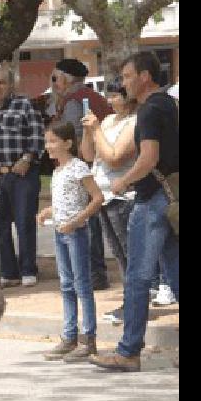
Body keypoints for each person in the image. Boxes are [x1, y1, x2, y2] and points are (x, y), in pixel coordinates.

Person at [90, 52, 179, 373]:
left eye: (127, 76)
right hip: (169, 198)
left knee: (138, 277)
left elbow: (149, 158)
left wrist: (122, 181)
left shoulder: (150, 110)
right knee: (175, 273)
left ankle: (128, 351)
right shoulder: (168, 104)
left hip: (151, 198)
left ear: (144, 76)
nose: (123, 83)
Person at [37, 121, 104, 362]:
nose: (48, 147)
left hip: (75, 233)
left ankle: (89, 338)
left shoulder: (78, 168)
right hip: (59, 232)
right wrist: (49, 212)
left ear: (67, 143)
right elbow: (64, 202)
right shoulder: (57, 171)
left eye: (53, 141)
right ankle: (69, 336)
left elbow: (97, 198)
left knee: (81, 285)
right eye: (46, 142)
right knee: (66, 284)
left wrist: (77, 221)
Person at [52, 58, 114, 290]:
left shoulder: (73, 102)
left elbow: (73, 139)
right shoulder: (91, 97)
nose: (55, 84)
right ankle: (96, 273)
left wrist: (71, 169)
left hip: (86, 166)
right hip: (100, 165)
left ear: (66, 79)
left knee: (88, 222)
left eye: (55, 78)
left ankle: (94, 274)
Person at [80, 79, 138, 324]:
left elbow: (113, 157)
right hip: (104, 195)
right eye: (109, 96)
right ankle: (130, 301)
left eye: (116, 96)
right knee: (117, 253)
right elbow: (89, 155)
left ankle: (136, 303)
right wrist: (88, 131)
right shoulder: (107, 121)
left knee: (130, 253)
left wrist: (96, 132)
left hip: (122, 197)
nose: (111, 101)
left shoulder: (134, 122)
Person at [0, 65, 45, 287]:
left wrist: (27, 158)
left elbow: (37, 134)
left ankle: (29, 269)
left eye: (1, 82)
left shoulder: (24, 104)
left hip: (23, 174)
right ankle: (9, 273)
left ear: (11, 85)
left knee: (24, 223)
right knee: (0, 224)